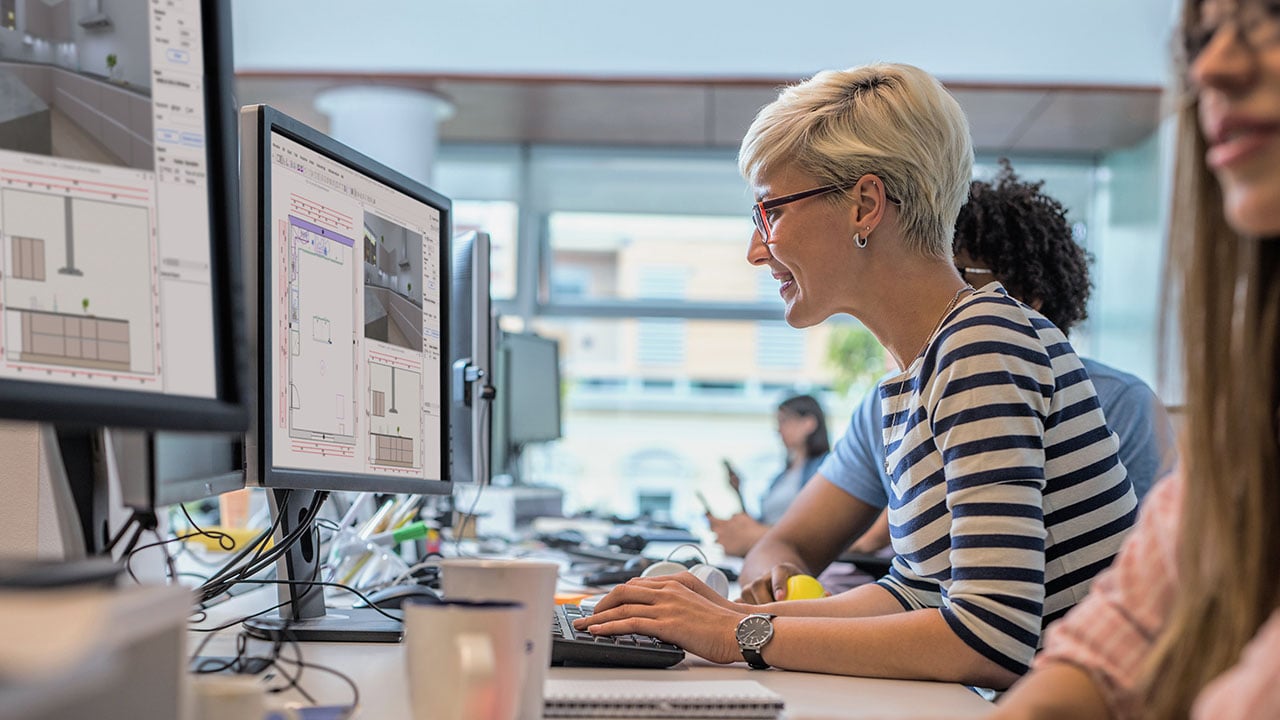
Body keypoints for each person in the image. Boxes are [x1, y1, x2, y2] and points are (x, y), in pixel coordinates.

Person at [574, 63, 1136, 688]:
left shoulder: (981, 345)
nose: (757, 249)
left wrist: (737, 635)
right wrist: (722, 614)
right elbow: (914, 593)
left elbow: (990, 636)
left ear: (865, 205)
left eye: (771, 212)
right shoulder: (919, 368)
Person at [990, 1, 1280, 716]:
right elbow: (1108, 645)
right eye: (1199, 38)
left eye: (1271, 14)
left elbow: (986, 626)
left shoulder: (1105, 394)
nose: (1212, 66)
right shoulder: (1248, 406)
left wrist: (750, 631)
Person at [749, 160, 1179, 575]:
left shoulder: (1115, 402)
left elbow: (992, 618)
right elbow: (924, 593)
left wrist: (770, 629)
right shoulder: (892, 405)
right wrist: (775, 606)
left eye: (956, 274)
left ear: (1027, 299)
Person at [708, 394, 830, 557]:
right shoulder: (782, 476)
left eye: (784, 420)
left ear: (809, 423)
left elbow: (817, 526)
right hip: (769, 552)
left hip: (794, 555)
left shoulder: (825, 468)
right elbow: (762, 525)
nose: (778, 429)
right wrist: (739, 492)